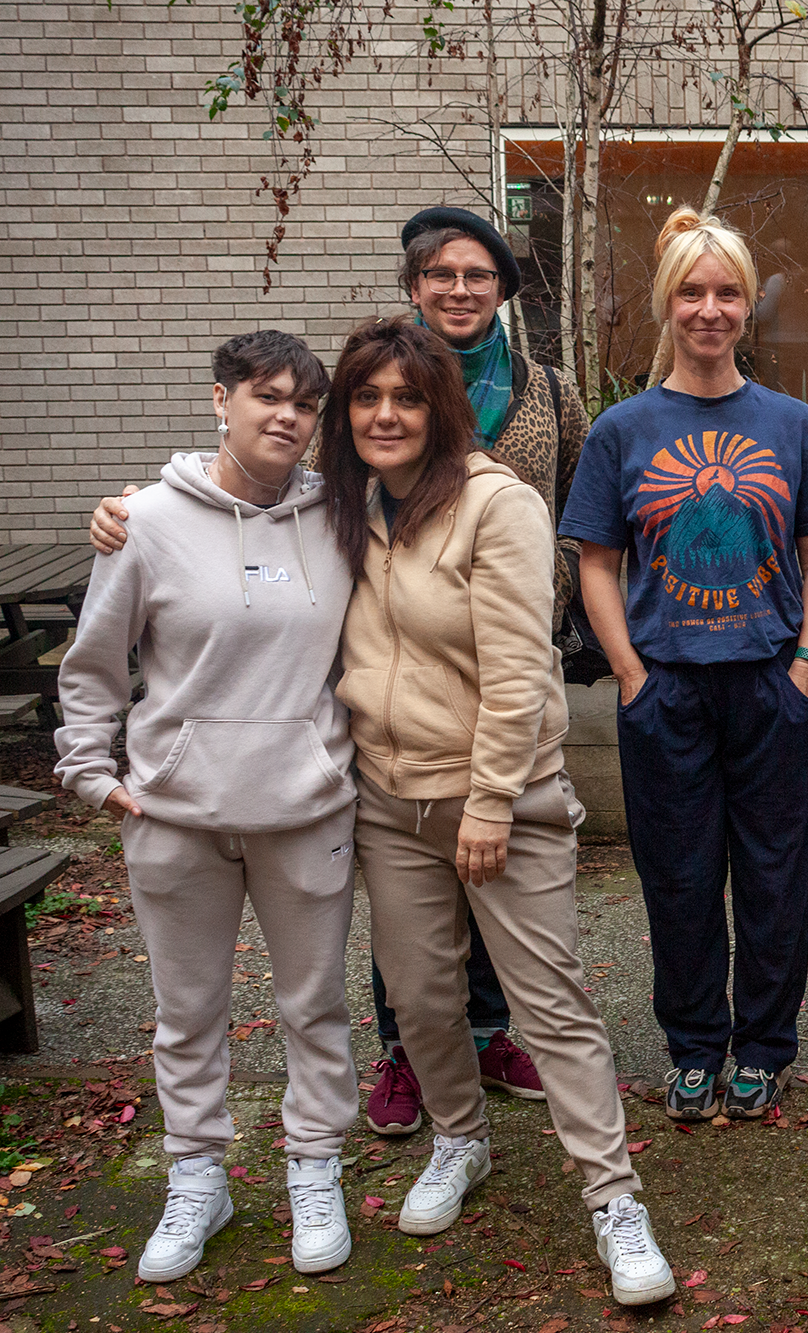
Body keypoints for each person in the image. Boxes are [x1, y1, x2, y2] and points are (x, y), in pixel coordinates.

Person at [86, 204, 590, 1135]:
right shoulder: (352, 463)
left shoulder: (545, 393)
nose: (459, 288)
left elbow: (580, 501)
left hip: (501, 664)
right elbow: (260, 473)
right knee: (410, 952)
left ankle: (496, 1038)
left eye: (479, 275)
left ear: (504, 296)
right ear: (413, 291)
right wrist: (142, 505)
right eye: (441, 274)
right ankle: (423, 1064)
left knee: (512, 930)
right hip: (384, 744)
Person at [322, 316, 674, 1305]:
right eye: (366, 396)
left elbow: (522, 668)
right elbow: (234, 492)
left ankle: (614, 1197)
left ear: (441, 407)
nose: (385, 414)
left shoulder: (496, 505)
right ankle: (459, 1139)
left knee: (549, 1002)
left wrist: (490, 800)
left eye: (405, 396)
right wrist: (129, 509)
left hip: (501, 800)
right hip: (388, 801)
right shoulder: (347, 506)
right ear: (345, 412)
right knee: (422, 997)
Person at [55, 331, 359, 1282]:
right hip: (175, 813)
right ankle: (198, 1177)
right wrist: (89, 772)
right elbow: (95, 664)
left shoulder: (339, 517)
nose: (288, 418)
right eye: (267, 396)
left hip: (306, 805)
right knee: (187, 1012)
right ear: (218, 399)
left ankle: (313, 1166)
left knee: (314, 1007)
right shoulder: (144, 521)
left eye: (305, 405)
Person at [562, 208, 808, 1124]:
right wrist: (631, 674)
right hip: (667, 688)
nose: (710, 309)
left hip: (770, 681)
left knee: (774, 874)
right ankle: (693, 1046)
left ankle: (764, 1047)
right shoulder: (624, 429)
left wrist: (807, 664)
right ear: (666, 303)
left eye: (727, 291)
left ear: (746, 305)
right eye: (692, 292)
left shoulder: (791, 423)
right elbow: (595, 562)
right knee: (679, 877)